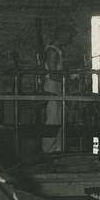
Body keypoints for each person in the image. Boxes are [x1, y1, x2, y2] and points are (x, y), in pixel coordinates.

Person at [41, 24, 77, 153]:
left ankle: (57, 150)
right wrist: (70, 78)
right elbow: (52, 74)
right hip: (51, 88)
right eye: (68, 36)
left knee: (59, 119)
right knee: (53, 121)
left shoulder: (58, 50)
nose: (69, 40)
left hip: (57, 88)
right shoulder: (52, 50)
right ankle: (48, 151)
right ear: (62, 34)